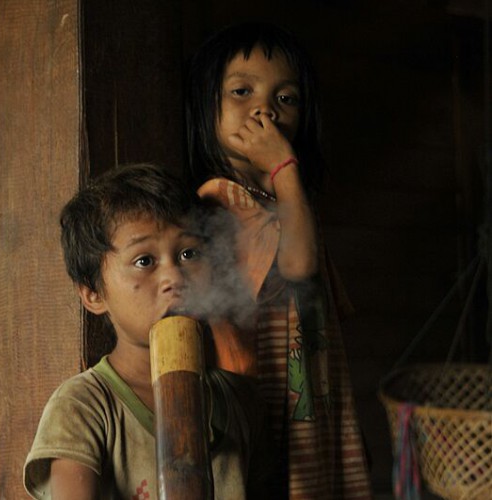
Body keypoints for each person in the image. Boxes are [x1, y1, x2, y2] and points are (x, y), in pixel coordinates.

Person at [186, 22, 373, 499]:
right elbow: (299, 267)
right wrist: (284, 168)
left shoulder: (285, 205)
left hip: (313, 399)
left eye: (286, 98)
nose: (265, 108)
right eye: (241, 91)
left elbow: (328, 309)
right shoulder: (220, 198)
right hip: (267, 411)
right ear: (206, 107)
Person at [23, 163, 275, 499]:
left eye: (189, 253)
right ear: (93, 294)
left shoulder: (242, 401)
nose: (174, 278)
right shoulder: (83, 406)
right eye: (145, 261)